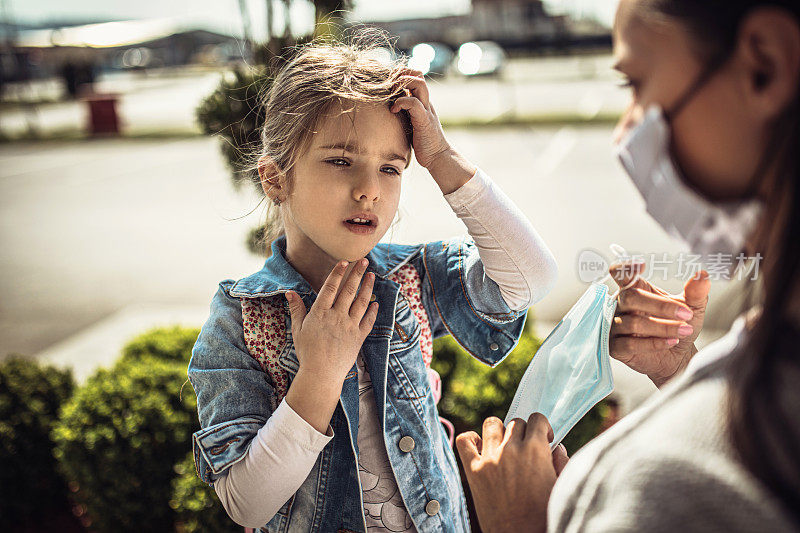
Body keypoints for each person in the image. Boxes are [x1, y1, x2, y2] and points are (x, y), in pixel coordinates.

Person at [187, 37, 559, 532]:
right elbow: (245, 503)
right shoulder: (241, 319)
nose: (370, 189)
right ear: (276, 179)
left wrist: (440, 156)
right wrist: (319, 374)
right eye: (341, 161)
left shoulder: (410, 277)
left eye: (391, 167)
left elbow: (531, 278)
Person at [456, 1, 800, 532]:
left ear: (766, 65)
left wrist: (524, 523)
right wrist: (684, 371)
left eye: (636, 85)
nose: (624, 134)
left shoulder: (674, 482)